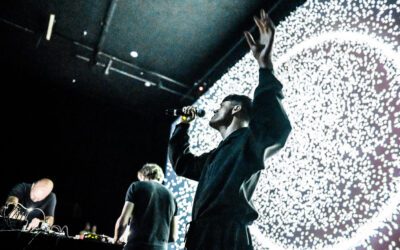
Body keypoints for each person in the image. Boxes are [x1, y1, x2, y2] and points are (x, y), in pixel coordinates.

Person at [168, 9, 292, 250]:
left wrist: (265, 65)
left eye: (221, 105)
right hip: (200, 237)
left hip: (226, 238)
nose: (215, 110)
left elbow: (277, 127)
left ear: (235, 109)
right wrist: (183, 125)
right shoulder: (215, 156)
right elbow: (182, 164)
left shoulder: (251, 140)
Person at [113, 163, 178, 250]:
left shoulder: (136, 186)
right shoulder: (172, 197)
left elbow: (123, 221)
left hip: (136, 246)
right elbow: (173, 236)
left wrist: (116, 240)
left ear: (143, 175)